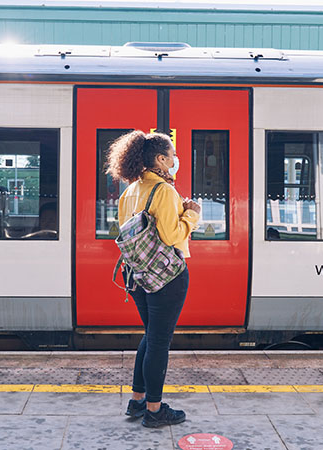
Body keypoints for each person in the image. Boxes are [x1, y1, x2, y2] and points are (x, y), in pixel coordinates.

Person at [106, 130, 201, 428]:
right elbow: (172, 235)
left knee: (150, 336)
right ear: (160, 159)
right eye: (172, 155)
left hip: (135, 274)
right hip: (166, 276)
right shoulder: (164, 191)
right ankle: (155, 410)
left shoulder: (130, 191)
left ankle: (137, 401)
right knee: (159, 341)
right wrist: (192, 214)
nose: (175, 160)